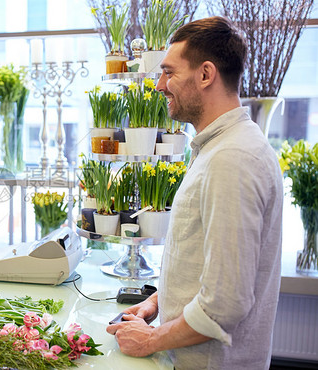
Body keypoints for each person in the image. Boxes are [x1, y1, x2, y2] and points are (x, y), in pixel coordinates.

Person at [107, 16, 283, 369]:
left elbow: (226, 303)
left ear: (205, 75)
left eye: (169, 73)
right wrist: (159, 300)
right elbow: (213, 263)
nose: (159, 85)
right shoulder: (220, 147)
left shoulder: (232, 159)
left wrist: (151, 339)